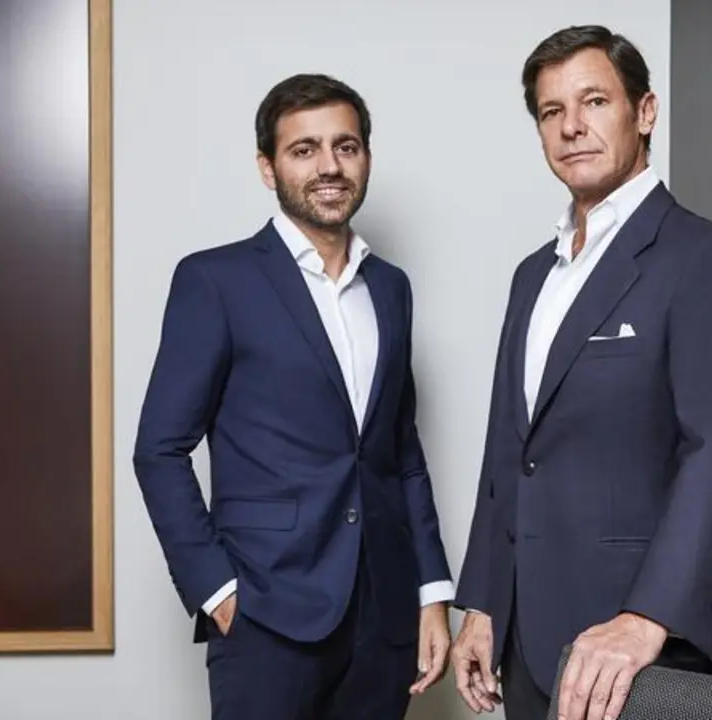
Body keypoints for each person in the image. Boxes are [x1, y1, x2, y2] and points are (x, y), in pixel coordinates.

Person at [450, 25, 712, 720]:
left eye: (594, 101)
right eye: (551, 111)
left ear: (645, 112)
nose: (572, 126)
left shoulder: (705, 257)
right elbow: (511, 453)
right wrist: (483, 602)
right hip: (526, 643)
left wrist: (651, 616)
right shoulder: (532, 276)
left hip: (633, 649)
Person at [133, 73, 454, 719]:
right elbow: (158, 450)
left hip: (384, 615)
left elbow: (401, 452)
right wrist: (215, 590)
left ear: (366, 157)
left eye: (345, 146)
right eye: (304, 149)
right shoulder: (216, 280)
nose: (329, 166)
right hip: (266, 613)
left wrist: (431, 592)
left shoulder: (391, 288)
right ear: (267, 167)